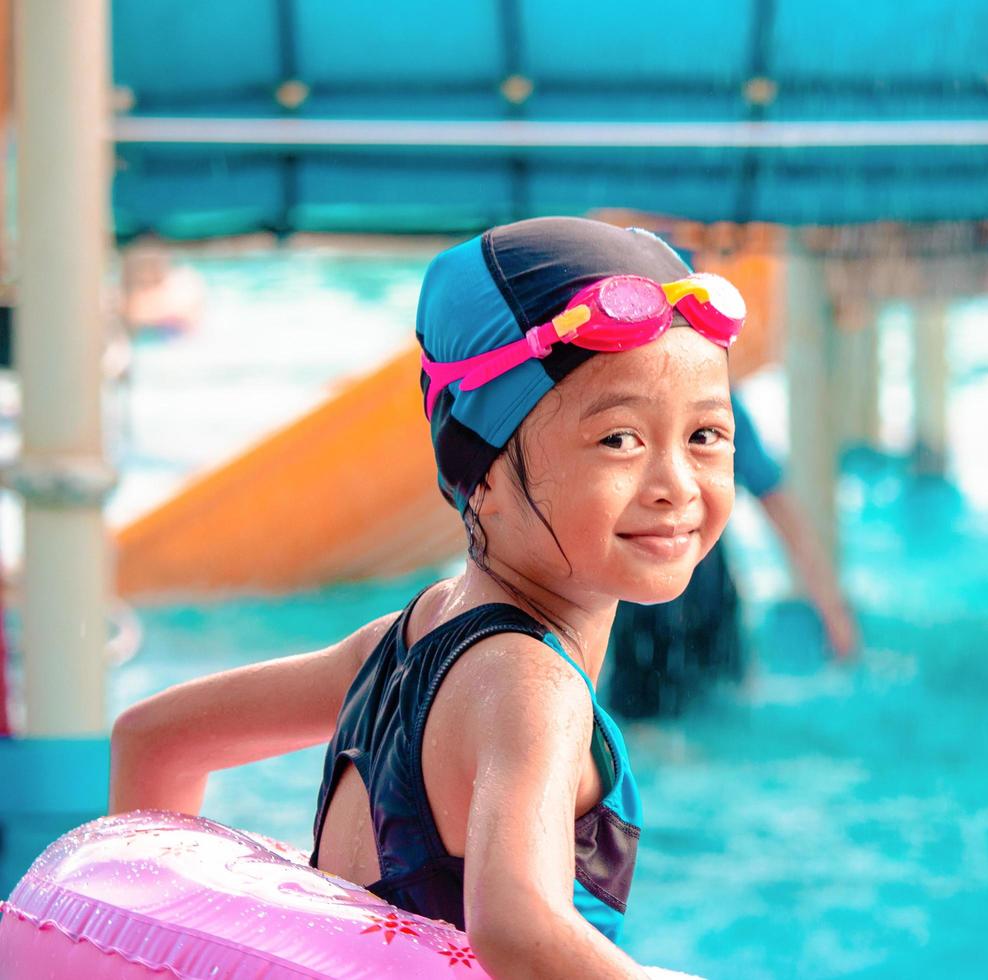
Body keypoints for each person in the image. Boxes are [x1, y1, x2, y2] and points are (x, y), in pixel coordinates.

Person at [107, 217, 746, 979]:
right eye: (618, 441)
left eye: (706, 435)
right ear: (479, 469)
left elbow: (154, 739)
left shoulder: (396, 643)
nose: (676, 484)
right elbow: (516, 926)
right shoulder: (533, 687)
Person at [605, 392, 859, 718]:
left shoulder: (716, 402)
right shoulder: (716, 401)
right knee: (726, 703)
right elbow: (780, 507)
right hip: (689, 585)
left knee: (663, 720)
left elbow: (779, 508)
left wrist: (832, 610)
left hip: (676, 586)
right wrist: (833, 610)